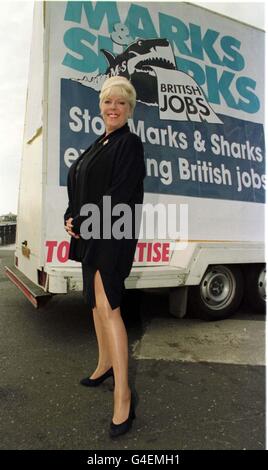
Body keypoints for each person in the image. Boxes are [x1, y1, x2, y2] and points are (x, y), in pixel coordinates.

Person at [64, 76, 146, 438]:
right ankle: (104, 365)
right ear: (101, 106)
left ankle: (124, 395)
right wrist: (71, 214)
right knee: (95, 305)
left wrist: (85, 219)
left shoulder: (129, 144)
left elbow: (121, 192)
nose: (113, 108)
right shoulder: (100, 142)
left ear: (129, 109)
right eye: (108, 102)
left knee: (109, 306)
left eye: (121, 103)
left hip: (112, 235)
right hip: (92, 232)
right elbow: (81, 184)